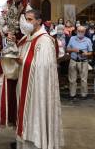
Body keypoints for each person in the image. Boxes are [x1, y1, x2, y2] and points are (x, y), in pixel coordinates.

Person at [16, 9, 63, 149]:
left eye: (30, 19)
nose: (27, 23)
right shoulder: (27, 38)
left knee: (36, 113)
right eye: (26, 19)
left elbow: (44, 67)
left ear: (38, 21)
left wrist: (22, 61)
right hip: (25, 83)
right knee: (24, 114)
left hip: (38, 88)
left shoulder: (45, 40)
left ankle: (38, 142)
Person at [66, 26, 93, 100]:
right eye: (79, 31)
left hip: (83, 61)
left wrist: (86, 54)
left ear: (85, 32)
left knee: (84, 79)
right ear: (76, 31)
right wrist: (73, 50)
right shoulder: (72, 38)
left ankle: (84, 94)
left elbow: (91, 52)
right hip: (73, 60)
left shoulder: (88, 40)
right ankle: (72, 94)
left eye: (82, 31)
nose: (80, 33)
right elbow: (67, 49)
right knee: (72, 79)